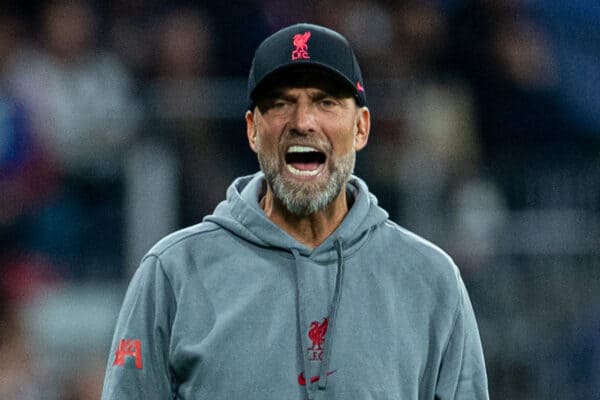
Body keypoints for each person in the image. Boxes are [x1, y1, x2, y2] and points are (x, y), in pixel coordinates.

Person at [101, 23, 489, 399]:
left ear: (361, 128)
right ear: (253, 130)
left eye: (326, 102)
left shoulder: (430, 280)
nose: (303, 122)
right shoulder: (173, 273)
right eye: (280, 103)